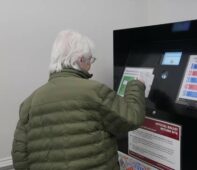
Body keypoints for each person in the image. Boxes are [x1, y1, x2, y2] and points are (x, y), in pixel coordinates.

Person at [11, 30, 146, 170]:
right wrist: (136, 85)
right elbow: (132, 117)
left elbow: (20, 158)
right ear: (81, 60)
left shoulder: (30, 102)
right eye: (90, 60)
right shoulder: (95, 91)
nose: (90, 64)